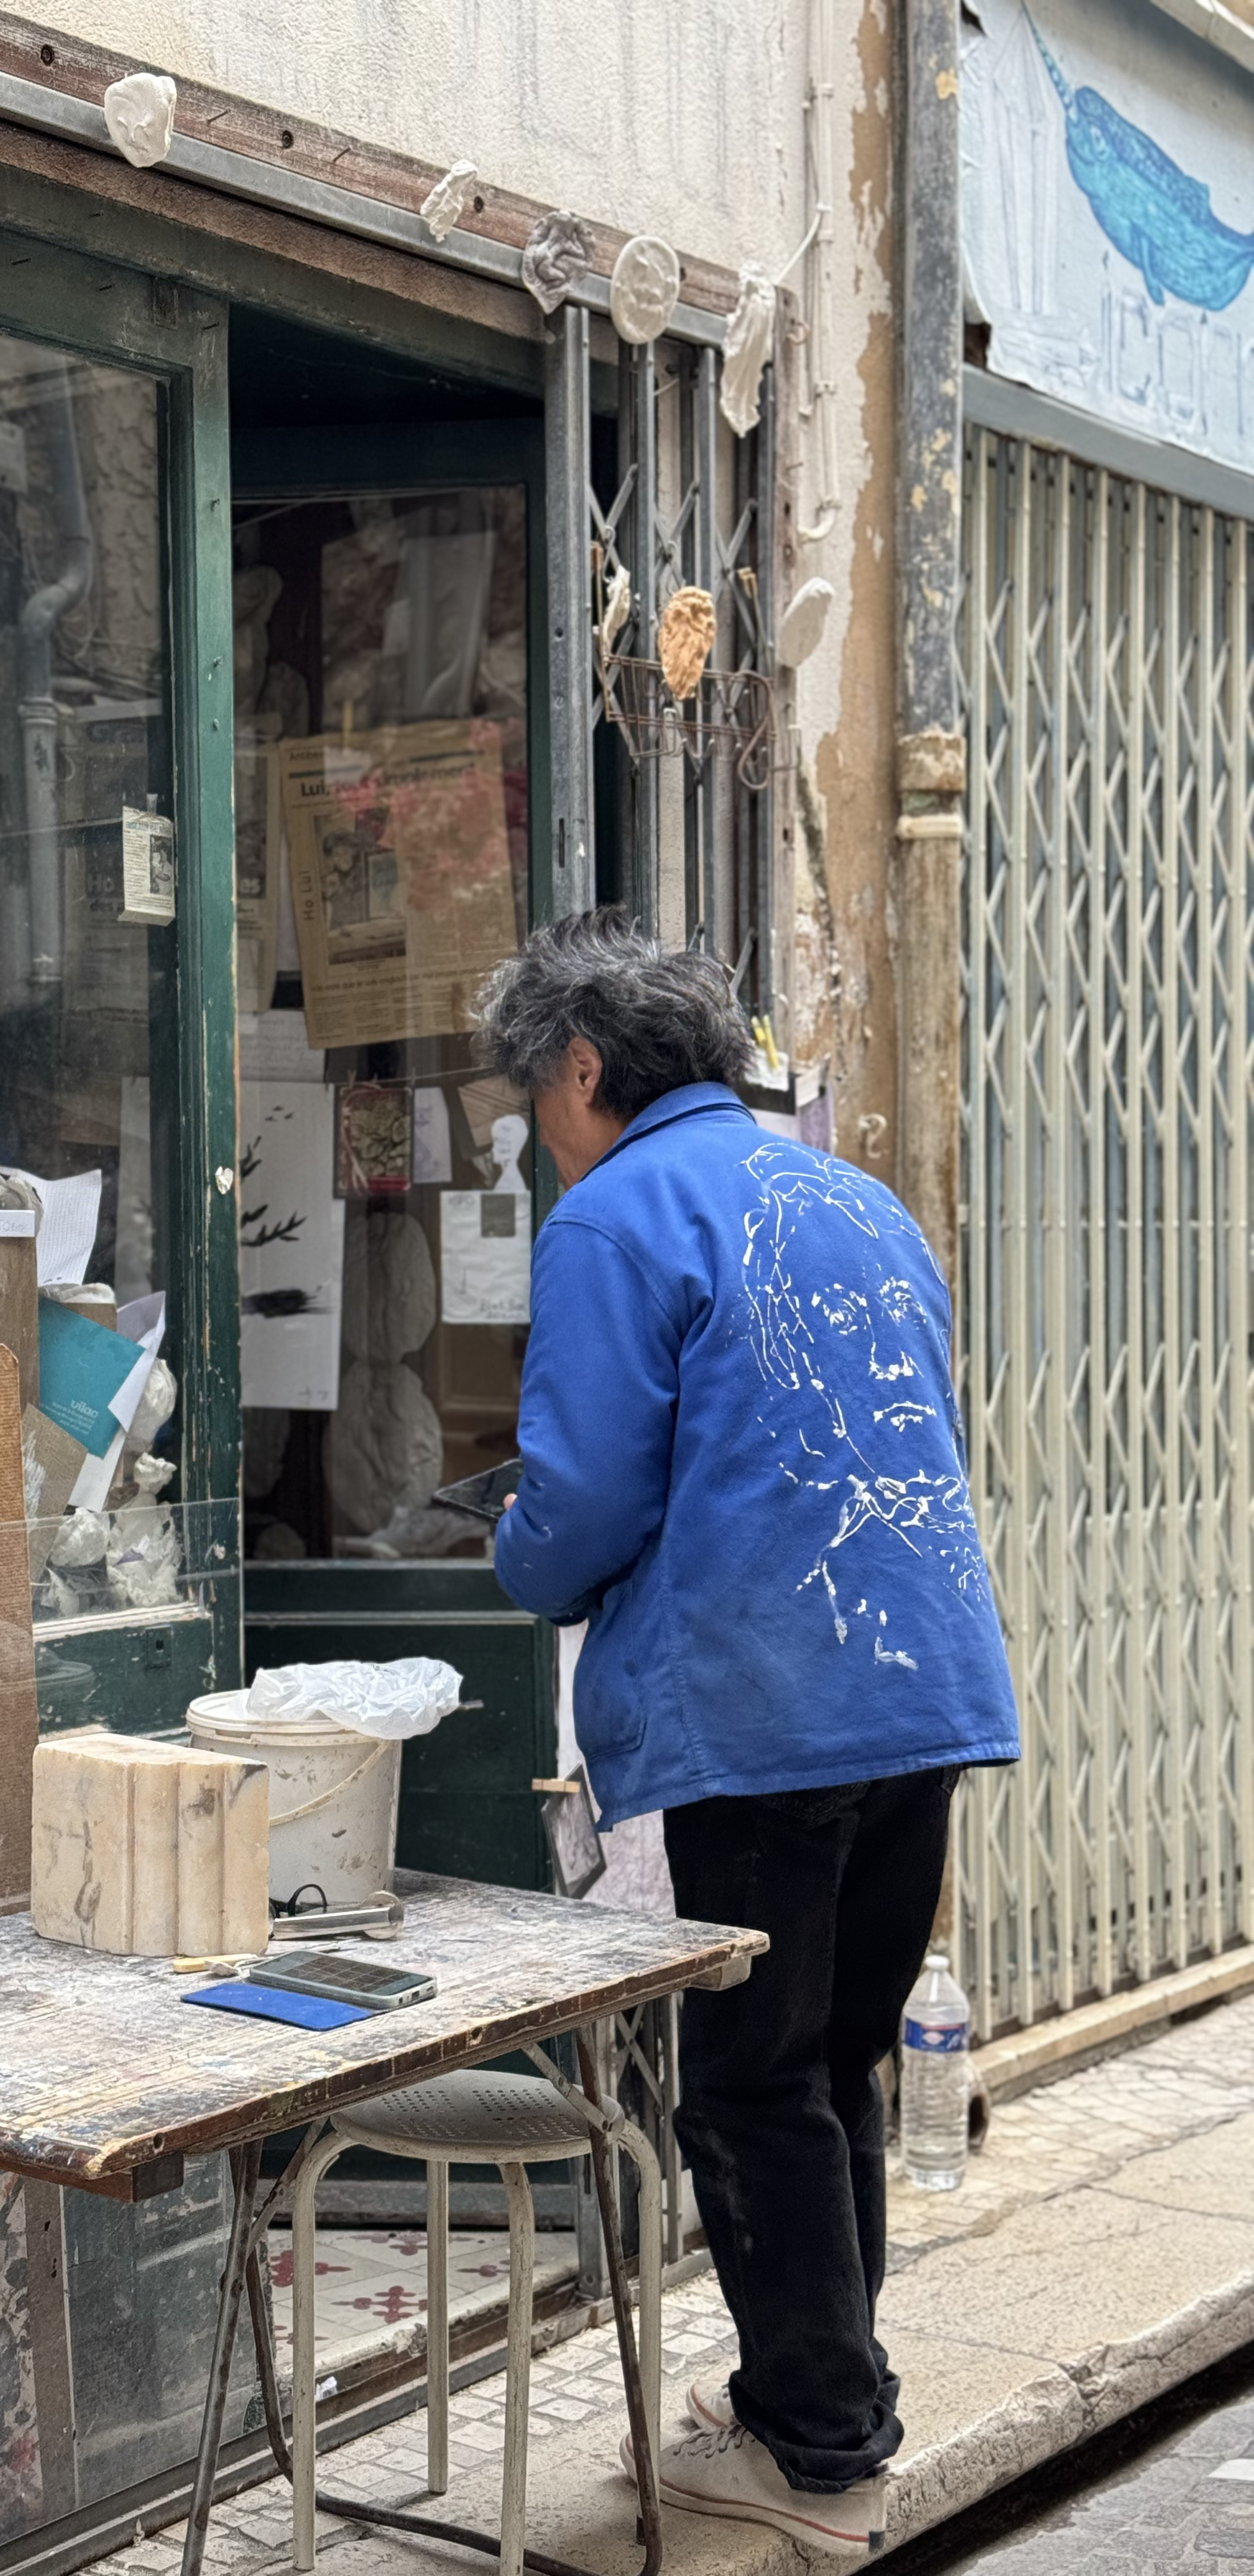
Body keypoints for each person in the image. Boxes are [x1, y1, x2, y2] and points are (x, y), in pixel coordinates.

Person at [480, 910, 1019, 2559]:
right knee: (832, 2065)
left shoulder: (613, 1214)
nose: (537, 1134)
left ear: (585, 1070)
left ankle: (823, 2456)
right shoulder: (859, 1201)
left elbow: (581, 1504)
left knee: (749, 2084)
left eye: (535, 1097)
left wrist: (514, 1553)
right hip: (917, 1690)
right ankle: (818, 2405)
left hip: (764, 1711)